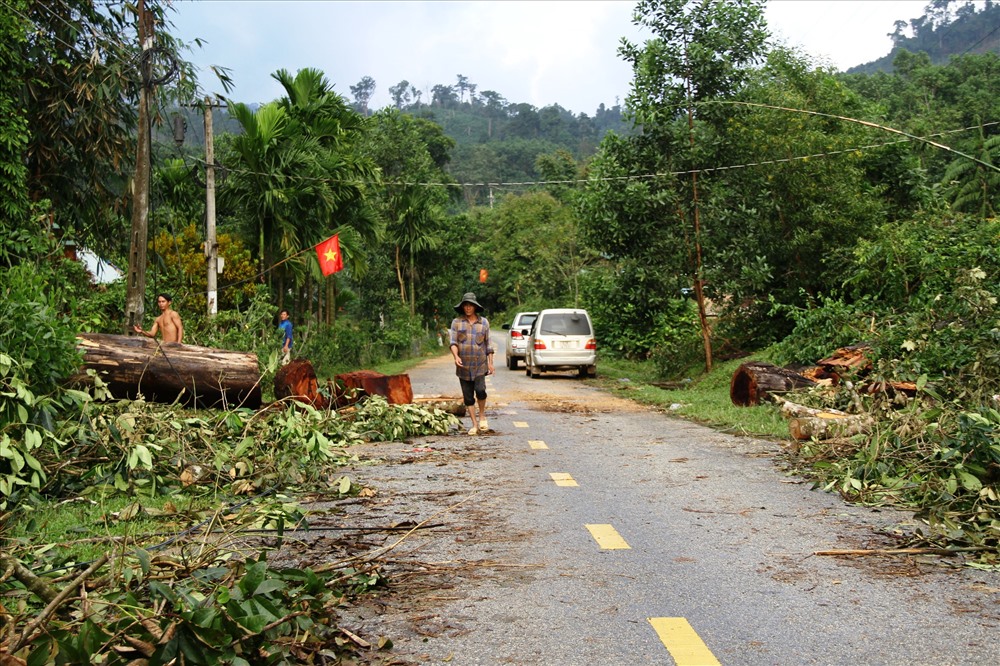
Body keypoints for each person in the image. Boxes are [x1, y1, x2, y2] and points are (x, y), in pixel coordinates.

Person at [449, 292, 495, 435]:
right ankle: (474, 424)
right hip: (463, 366)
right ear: (462, 307)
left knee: (480, 390)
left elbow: (488, 345)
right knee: (468, 397)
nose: (468, 308)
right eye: (465, 306)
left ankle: (482, 416)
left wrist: (490, 363)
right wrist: (456, 356)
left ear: (475, 307)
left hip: (480, 364)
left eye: (470, 306)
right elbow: (453, 343)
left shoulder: (484, 323)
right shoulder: (457, 323)